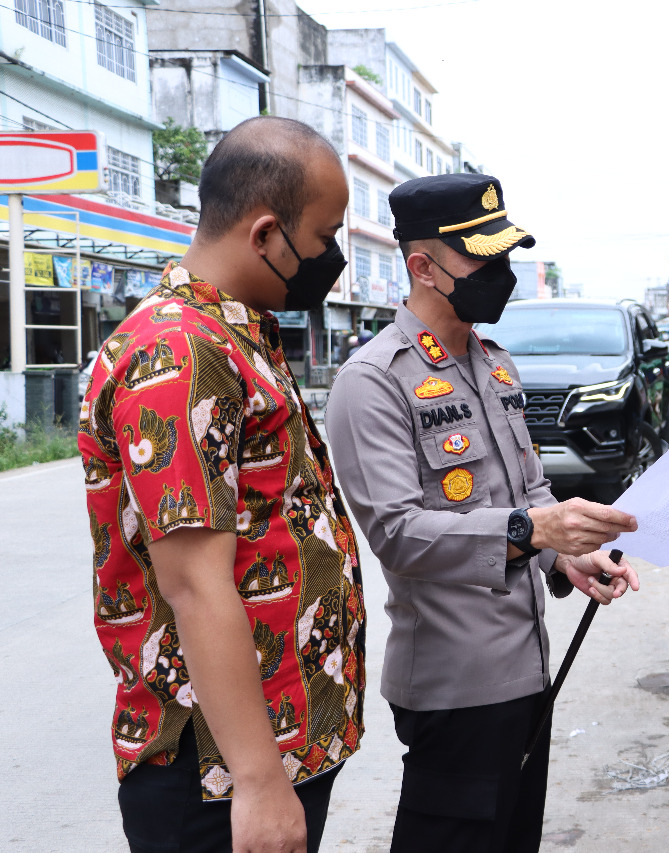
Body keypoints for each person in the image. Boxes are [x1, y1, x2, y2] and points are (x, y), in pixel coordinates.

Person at [325, 172, 640, 853]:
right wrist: (535, 531)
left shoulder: (495, 365)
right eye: (483, 258)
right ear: (422, 267)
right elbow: (399, 535)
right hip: (453, 686)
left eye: (504, 257)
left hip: (526, 671)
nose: (501, 273)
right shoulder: (374, 380)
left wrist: (570, 554)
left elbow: (530, 492)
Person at [79, 116, 365, 853]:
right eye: (326, 236)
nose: (332, 257)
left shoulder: (237, 334)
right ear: (267, 234)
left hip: (269, 746)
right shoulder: (179, 349)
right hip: (217, 771)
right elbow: (194, 583)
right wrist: (261, 780)